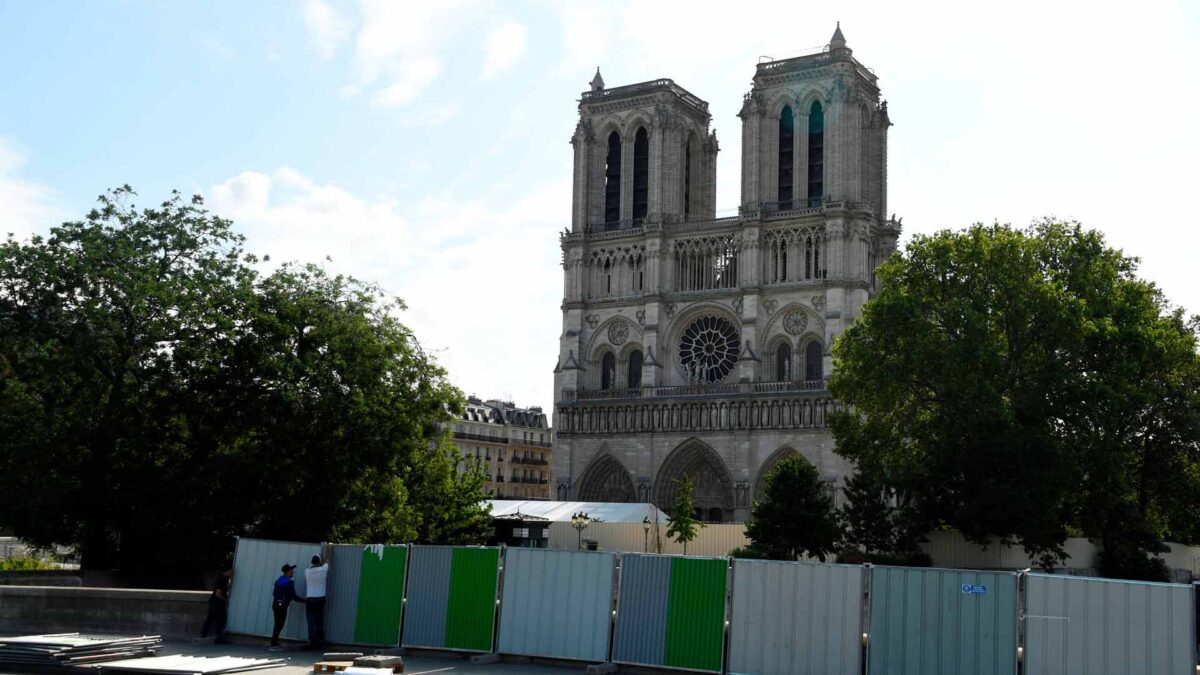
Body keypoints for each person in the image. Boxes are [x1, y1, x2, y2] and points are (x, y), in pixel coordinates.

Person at [269, 563, 304, 649]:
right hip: (282, 605)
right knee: (280, 624)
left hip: (275, 604)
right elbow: (294, 596)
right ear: (288, 572)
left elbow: (275, 593)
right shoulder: (289, 582)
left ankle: (274, 641)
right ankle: (274, 643)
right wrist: (305, 601)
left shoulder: (279, 580)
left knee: (277, 623)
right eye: (291, 570)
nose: (293, 572)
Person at [200, 567, 232, 643]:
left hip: (213, 601)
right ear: (226, 572)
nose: (231, 573)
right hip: (218, 602)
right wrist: (225, 600)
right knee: (221, 619)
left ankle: (203, 634)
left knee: (210, 618)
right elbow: (218, 593)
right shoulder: (222, 580)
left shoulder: (221, 579)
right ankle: (219, 638)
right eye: (230, 571)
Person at [304, 554, 329, 650]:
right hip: (320, 598)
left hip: (310, 598)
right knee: (319, 619)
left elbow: (310, 568)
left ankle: (312, 641)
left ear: (312, 562)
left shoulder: (307, 571)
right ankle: (320, 639)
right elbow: (328, 561)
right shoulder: (323, 569)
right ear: (319, 562)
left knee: (311, 621)